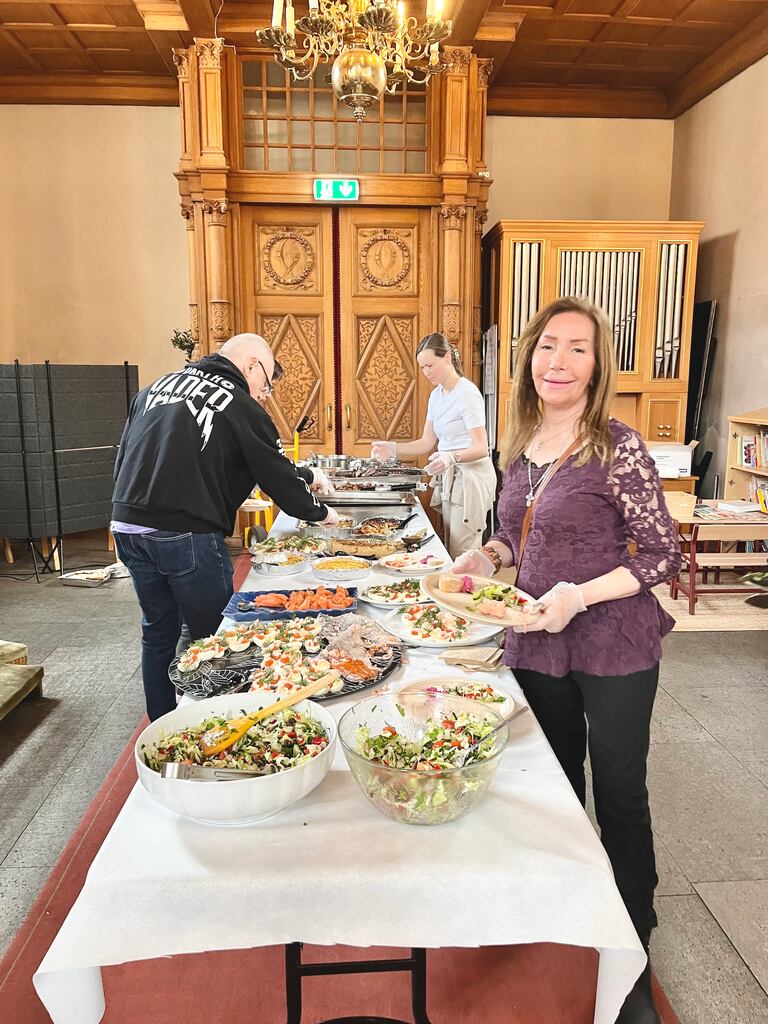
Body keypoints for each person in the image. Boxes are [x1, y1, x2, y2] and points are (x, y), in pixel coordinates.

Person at [452, 297, 681, 1024]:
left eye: (577, 348)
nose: (558, 359)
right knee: (549, 787)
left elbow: (662, 554)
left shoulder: (619, 445)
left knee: (619, 797)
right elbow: (516, 540)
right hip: (536, 642)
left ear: (595, 366)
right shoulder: (519, 447)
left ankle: (633, 955)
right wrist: (483, 557)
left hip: (612, 645)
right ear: (529, 358)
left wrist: (578, 597)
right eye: (548, 345)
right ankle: (556, 906)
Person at [111, 333, 338, 721]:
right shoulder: (240, 405)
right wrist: (322, 515)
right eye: (266, 384)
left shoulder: (155, 388)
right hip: (185, 533)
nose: (264, 395)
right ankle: (217, 727)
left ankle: (163, 722)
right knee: (218, 636)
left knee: (158, 629)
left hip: (127, 524)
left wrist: (305, 473)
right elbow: (274, 477)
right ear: (251, 366)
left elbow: (131, 453)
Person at [371, 332, 496, 558]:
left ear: (447, 358)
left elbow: (481, 447)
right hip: (451, 477)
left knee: (464, 552)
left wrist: (451, 457)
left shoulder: (467, 394)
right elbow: (426, 442)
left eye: (430, 365)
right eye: (422, 367)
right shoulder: (436, 395)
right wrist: (392, 448)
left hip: (471, 479)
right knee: (451, 549)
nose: (426, 372)